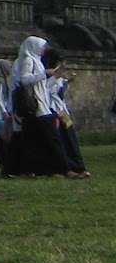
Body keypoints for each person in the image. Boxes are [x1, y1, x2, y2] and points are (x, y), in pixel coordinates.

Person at [10, 37, 78, 179]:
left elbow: (43, 87)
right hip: (38, 106)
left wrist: (55, 76)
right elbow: (25, 79)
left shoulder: (36, 61)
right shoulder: (29, 61)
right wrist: (45, 74)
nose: (44, 50)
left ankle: (32, 171)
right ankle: (63, 169)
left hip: (42, 105)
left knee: (33, 143)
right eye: (42, 46)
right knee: (53, 139)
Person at [43, 49, 91, 179]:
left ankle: (77, 166)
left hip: (62, 111)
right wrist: (57, 76)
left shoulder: (57, 76)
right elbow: (47, 90)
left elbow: (58, 88)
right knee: (63, 141)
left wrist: (66, 81)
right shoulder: (47, 75)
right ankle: (67, 168)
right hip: (54, 111)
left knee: (70, 140)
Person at [0, 59, 18, 177]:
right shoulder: (1, 81)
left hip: (1, 114)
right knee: (2, 140)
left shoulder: (4, 81)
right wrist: (4, 112)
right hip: (0, 115)